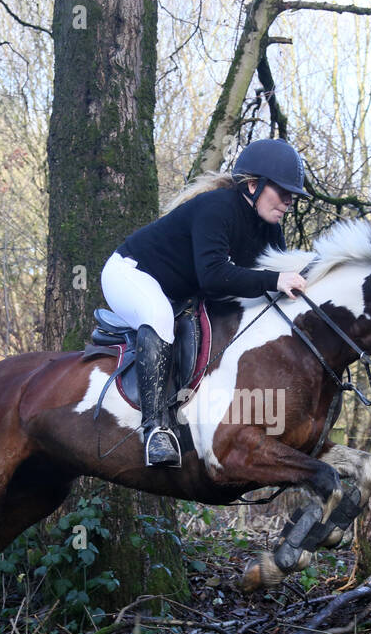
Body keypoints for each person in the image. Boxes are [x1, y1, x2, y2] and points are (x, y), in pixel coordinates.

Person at [101, 138, 311, 467]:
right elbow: (214, 277)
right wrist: (274, 280)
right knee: (158, 316)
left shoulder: (269, 229)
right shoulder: (218, 207)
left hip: (179, 290)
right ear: (254, 185)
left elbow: (267, 282)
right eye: (282, 191)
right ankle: (154, 430)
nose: (288, 200)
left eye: (292, 195)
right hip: (130, 274)